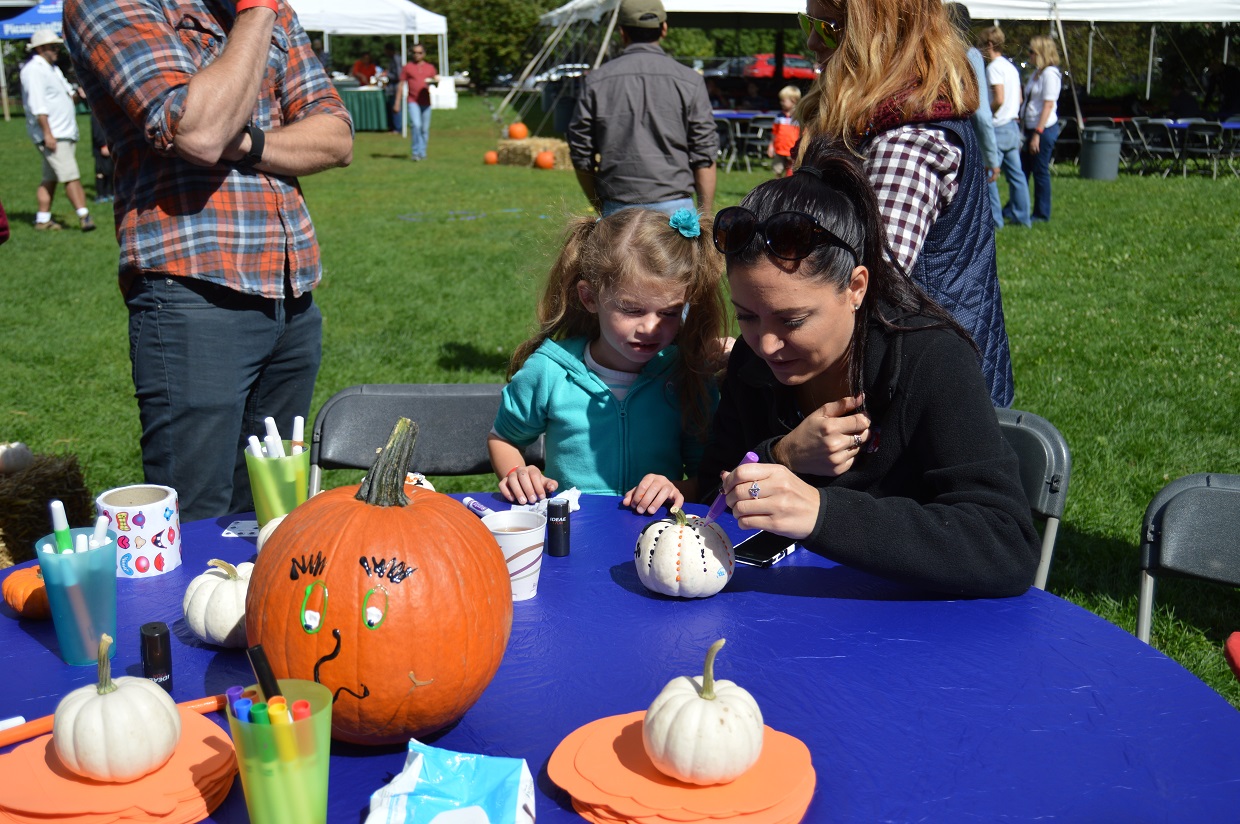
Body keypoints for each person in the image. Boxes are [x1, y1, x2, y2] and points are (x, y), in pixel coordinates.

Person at [699, 139, 1039, 598]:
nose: (767, 343)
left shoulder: (931, 360)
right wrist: (782, 455)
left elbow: (1005, 541)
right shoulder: (752, 362)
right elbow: (711, 491)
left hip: (919, 635)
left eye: (793, 320)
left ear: (856, 287)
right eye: (746, 316)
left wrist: (823, 513)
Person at [64, 0, 354, 521]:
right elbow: (197, 129)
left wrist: (242, 143)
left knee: (274, 512)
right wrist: (254, 18)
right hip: (191, 294)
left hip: (292, 297)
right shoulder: (113, 3)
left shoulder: (268, 11)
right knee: (196, 514)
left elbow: (335, 137)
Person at [797, 0, 1014, 408]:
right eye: (807, 23)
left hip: (923, 392)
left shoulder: (905, 139)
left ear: (879, 34)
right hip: (916, 371)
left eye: (827, 27)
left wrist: (769, 345)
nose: (811, 40)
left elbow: (865, 288)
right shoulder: (888, 117)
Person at [489, 208, 727, 515]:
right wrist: (516, 474)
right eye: (631, 310)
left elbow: (706, 478)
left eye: (669, 313)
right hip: (572, 535)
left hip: (656, 538)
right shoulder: (550, 370)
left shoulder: (687, 375)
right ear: (589, 298)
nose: (650, 327)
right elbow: (504, 438)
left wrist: (673, 488)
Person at [567, 0, 718, 218]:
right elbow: (704, 155)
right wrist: (705, 216)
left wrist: (600, 205)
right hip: (676, 211)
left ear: (622, 32)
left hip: (618, 208)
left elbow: (581, 154)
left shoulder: (596, 81)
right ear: (664, 29)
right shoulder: (690, 81)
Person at [20, 30, 95, 233]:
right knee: (71, 175)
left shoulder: (52, 69)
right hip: (53, 134)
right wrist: (47, 134)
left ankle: (42, 220)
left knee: (50, 178)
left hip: (64, 132)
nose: (56, 50)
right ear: (40, 48)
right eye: (53, 47)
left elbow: (68, 95)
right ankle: (84, 216)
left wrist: (79, 94)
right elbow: (38, 106)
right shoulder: (33, 70)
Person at [945, 3, 1000, 231]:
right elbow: (983, 113)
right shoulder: (971, 55)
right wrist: (992, 158)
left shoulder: (934, 53)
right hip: (967, 142)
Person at [978, 25, 1031, 227]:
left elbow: (998, 98)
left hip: (998, 127)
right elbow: (1018, 98)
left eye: (981, 45)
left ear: (990, 45)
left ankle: (995, 220)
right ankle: (1022, 217)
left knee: (990, 175)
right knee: (1017, 176)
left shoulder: (993, 68)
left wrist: (987, 113)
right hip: (1012, 125)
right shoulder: (1011, 67)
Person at [1021, 35, 1061, 223]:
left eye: (1032, 52)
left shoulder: (1050, 74)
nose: (1029, 55)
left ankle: (1041, 213)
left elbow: (1048, 105)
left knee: (1039, 170)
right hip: (1029, 127)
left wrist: (1038, 133)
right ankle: (1018, 206)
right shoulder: (1037, 73)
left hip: (1042, 129)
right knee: (1024, 169)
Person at [397, 43, 439, 161]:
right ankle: (416, 152)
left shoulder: (430, 67)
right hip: (412, 100)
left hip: (426, 101)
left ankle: (422, 152)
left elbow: (435, 81)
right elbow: (401, 84)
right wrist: (397, 102)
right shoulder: (408, 67)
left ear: (424, 54)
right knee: (416, 125)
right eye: (415, 53)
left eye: (420, 53)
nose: (417, 55)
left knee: (424, 128)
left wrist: (436, 80)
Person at [768, 85, 802, 178]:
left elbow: (803, 133)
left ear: (793, 100)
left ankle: (788, 189)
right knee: (777, 170)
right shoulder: (779, 117)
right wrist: (771, 146)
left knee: (791, 171)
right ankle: (777, 189)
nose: (781, 103)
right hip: (779, 149)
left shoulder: (798, 118)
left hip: (792, 150)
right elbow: (774, 132)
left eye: (783, 100)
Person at [90, 110, 113, 203]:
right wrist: (103, 144)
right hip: (101, 148)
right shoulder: (97, 112)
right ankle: (101, 195)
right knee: (101, 171)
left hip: (109, 145)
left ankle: (110, 193)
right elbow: (97, 130)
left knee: (110, 170)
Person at [382, 43, 402, 134]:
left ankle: (397, 128)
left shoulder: (396, 59)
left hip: (396, 87)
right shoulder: (392, 59)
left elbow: (398, 75)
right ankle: (393, 127)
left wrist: (387, 75)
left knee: (395, 107)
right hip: (391, 88)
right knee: (391, 107)